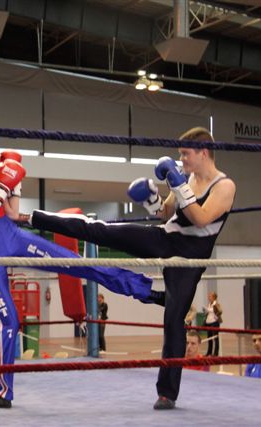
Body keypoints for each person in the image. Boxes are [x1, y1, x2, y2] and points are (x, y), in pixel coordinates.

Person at [0, 122, 153, 409]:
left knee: (76, 264)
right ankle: (4, 391)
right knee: (9, 320)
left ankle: (144, 289)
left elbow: (12, 213)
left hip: (13, 236)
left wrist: (14, 184)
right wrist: (2, 184)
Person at [26, 127, 236, 410]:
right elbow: (166, 213)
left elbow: (200, 218)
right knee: (102, 230)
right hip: (165, 239)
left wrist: (177, 183)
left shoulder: (224, 186)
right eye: (180, 154)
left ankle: (167, 393)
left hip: (190, 259)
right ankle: (32, 218)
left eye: (186, 154)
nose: (181, 159)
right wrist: (151, 199)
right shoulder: (188, 178)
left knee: (174, 320)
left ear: (204, 152)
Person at [203, 291, 222, 357]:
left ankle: (215, 353)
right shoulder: (209, 304)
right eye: (208, 296)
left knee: (215, 338)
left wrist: (216, 317)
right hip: (208, 322)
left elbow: (220, 311)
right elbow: (208, 312)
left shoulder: (216, 304)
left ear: (214, 297)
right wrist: (205, 311)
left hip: (214, 323)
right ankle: (209, 352)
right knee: (209, 338)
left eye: (210, 296)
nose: (209, 297)